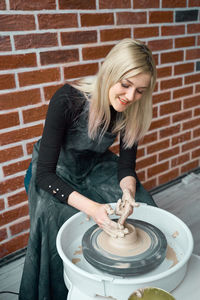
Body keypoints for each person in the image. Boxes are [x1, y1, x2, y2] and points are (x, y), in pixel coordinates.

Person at [19, 38, 157, 300]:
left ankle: (128, 282)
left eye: (140, 91)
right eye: (125, 85)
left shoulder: (133, 110)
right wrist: (94, 210)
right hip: (55, 168)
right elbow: (45, 174)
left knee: (141, 201)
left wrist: (127, 193)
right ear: (110, 74)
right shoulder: (67, 99)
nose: (131, 97)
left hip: (94, 164)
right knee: (56, 218)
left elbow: (127, 166)